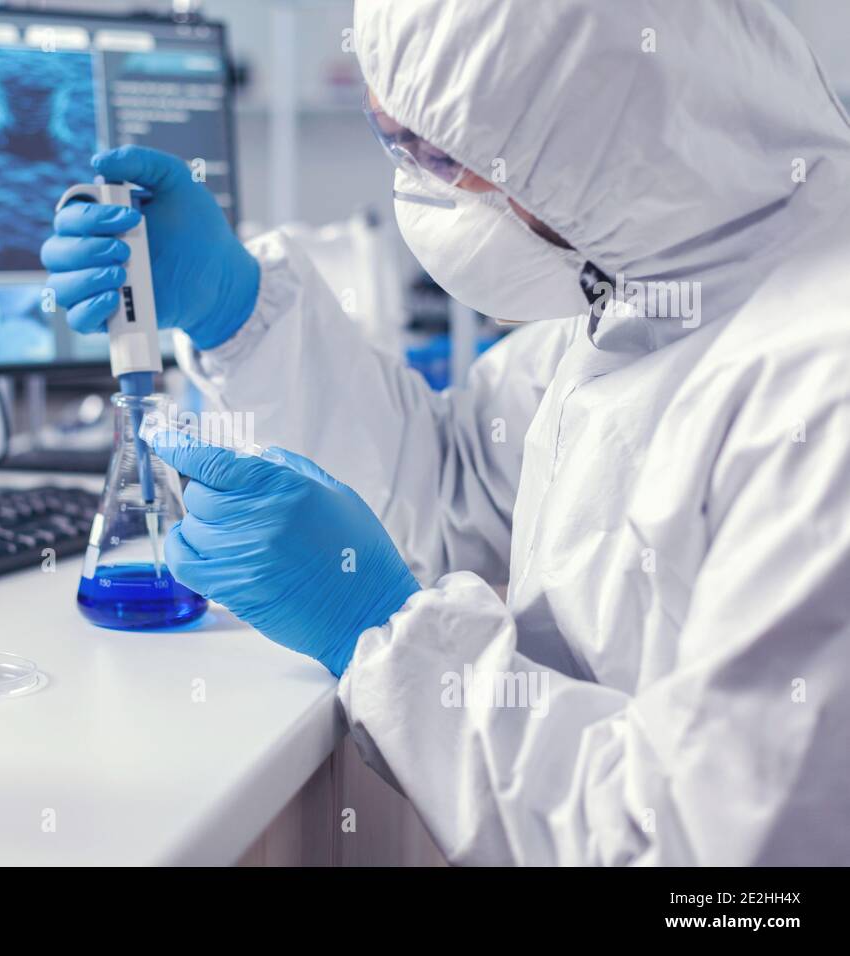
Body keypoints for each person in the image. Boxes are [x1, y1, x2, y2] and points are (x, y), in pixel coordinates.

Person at [41, 0, 850, 865]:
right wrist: (238, 311)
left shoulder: (818, 394)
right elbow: (455, 485)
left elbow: (724, 870)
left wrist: (385, 634)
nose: (415, 190)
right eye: (392, 143)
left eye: (435, 155)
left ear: (601, 132)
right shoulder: (652, 284)